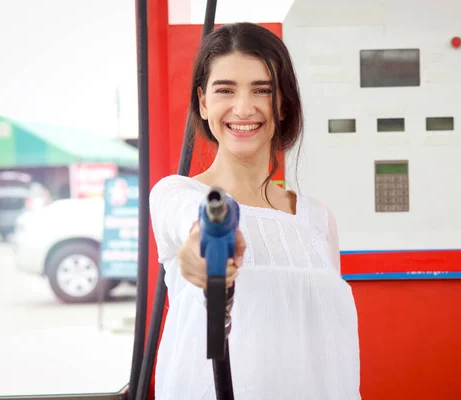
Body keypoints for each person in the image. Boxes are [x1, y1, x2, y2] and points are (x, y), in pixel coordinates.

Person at [149, 22, 361, 399]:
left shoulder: (317, 219)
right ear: (203, 102)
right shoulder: (176, 193)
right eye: (225, 90)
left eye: (262, 90)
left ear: (282, 104)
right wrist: (204, 244)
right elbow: (191, 219)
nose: (243, 108)